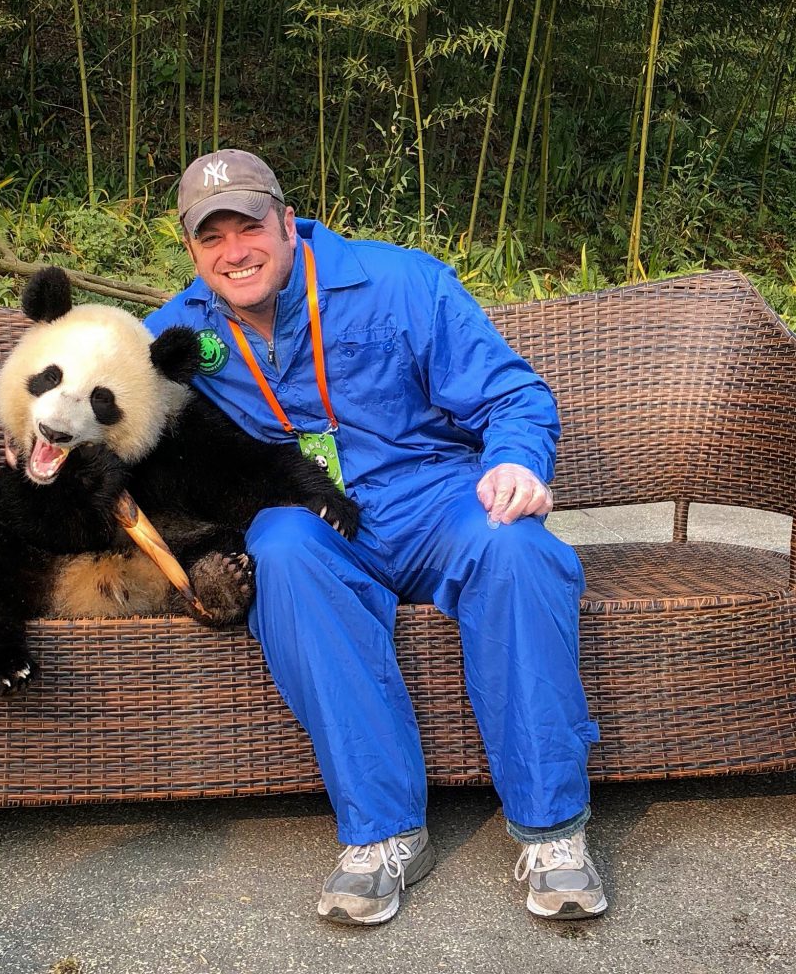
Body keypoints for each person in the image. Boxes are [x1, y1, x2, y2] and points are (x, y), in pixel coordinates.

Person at [142, 148, 606, 926]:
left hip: (432, 501)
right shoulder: (177, 333)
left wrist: (518, 462)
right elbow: (92, 388)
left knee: (518, 550)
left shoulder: (401, 282)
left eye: (249, 227)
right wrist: (39, 437)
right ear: (191, 251)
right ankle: (384, 834)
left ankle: (553, 830)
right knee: (280, 551)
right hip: (317, 521)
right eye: (211, 237)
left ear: (288, 223)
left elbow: (513, 393)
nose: (235, 252)